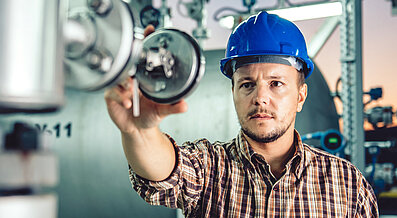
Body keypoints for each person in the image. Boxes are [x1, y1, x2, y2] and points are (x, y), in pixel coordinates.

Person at [105, 11, 378, 217]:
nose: (260, 97)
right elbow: (163, 171)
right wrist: (140, 130)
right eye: (247, 84)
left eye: (276, 84)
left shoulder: (347, 184)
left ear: (300, 96)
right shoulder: (209, 168)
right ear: (234, 91)